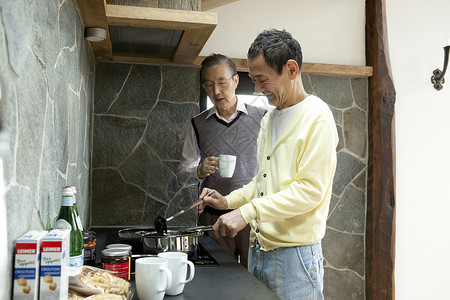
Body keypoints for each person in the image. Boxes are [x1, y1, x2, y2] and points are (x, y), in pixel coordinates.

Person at [199, 29, 338, 300]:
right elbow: (262, 183)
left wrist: (247, 213)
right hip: (260, 252)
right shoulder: (270, 119)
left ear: (291, 69)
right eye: (253, 80)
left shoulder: (317, 118)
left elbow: (309, 192)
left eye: (262, 80)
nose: (259, 89)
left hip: (296, 259)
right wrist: (226, 202)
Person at [176, 53, 267, 268]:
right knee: (217, 282)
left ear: (235, 81)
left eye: (221, 83)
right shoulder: (198, 123)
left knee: (252, 281)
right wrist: (198, 171)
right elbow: (182, 172)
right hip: (212, 218)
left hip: (250, 215)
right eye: (208, 85)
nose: (216, 91)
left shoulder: (263, 118)